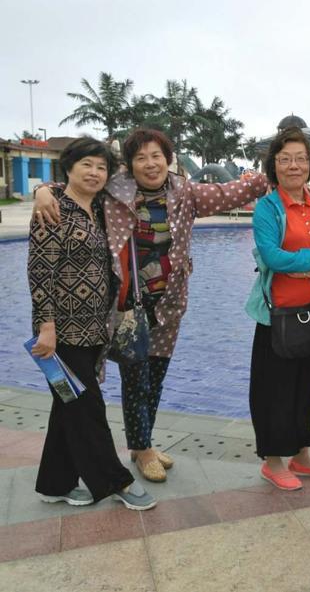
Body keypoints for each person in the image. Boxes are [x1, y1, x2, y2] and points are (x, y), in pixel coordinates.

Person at [33, 128, 270, 482]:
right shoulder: (114, 191)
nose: (150, 164)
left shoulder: (185, 193)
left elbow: (229, 192)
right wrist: (42, 190)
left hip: (168, 304)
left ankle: (141, 443)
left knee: (154, 378)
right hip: (127, 306)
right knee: (134, 379)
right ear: (129, 164)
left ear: (168, 159)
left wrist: (262, 178)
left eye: (156, 156)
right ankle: (141, 450)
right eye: (141, 157)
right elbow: (75, 185)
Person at [28, 138, 156, 511]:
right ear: (69, 167)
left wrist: (43, 188)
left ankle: (55, 483)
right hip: (62, 334)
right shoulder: (53, 210)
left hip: (93, 330)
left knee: (68, 407)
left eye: (101, 167)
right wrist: (46, 327)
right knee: (88, 409)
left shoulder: (97, 208)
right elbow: (40, 272)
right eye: (87, 164)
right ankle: (116, 481)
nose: (95, 173)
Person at [245, 127, 310, 490]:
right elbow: (272, 256)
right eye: (285, 159)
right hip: (276, 317)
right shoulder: (267, 208)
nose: (294, 165)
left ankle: (301, 457)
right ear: (274, 164)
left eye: (301, 159)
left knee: (306, 387)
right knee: (273, 390)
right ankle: (273, 462)